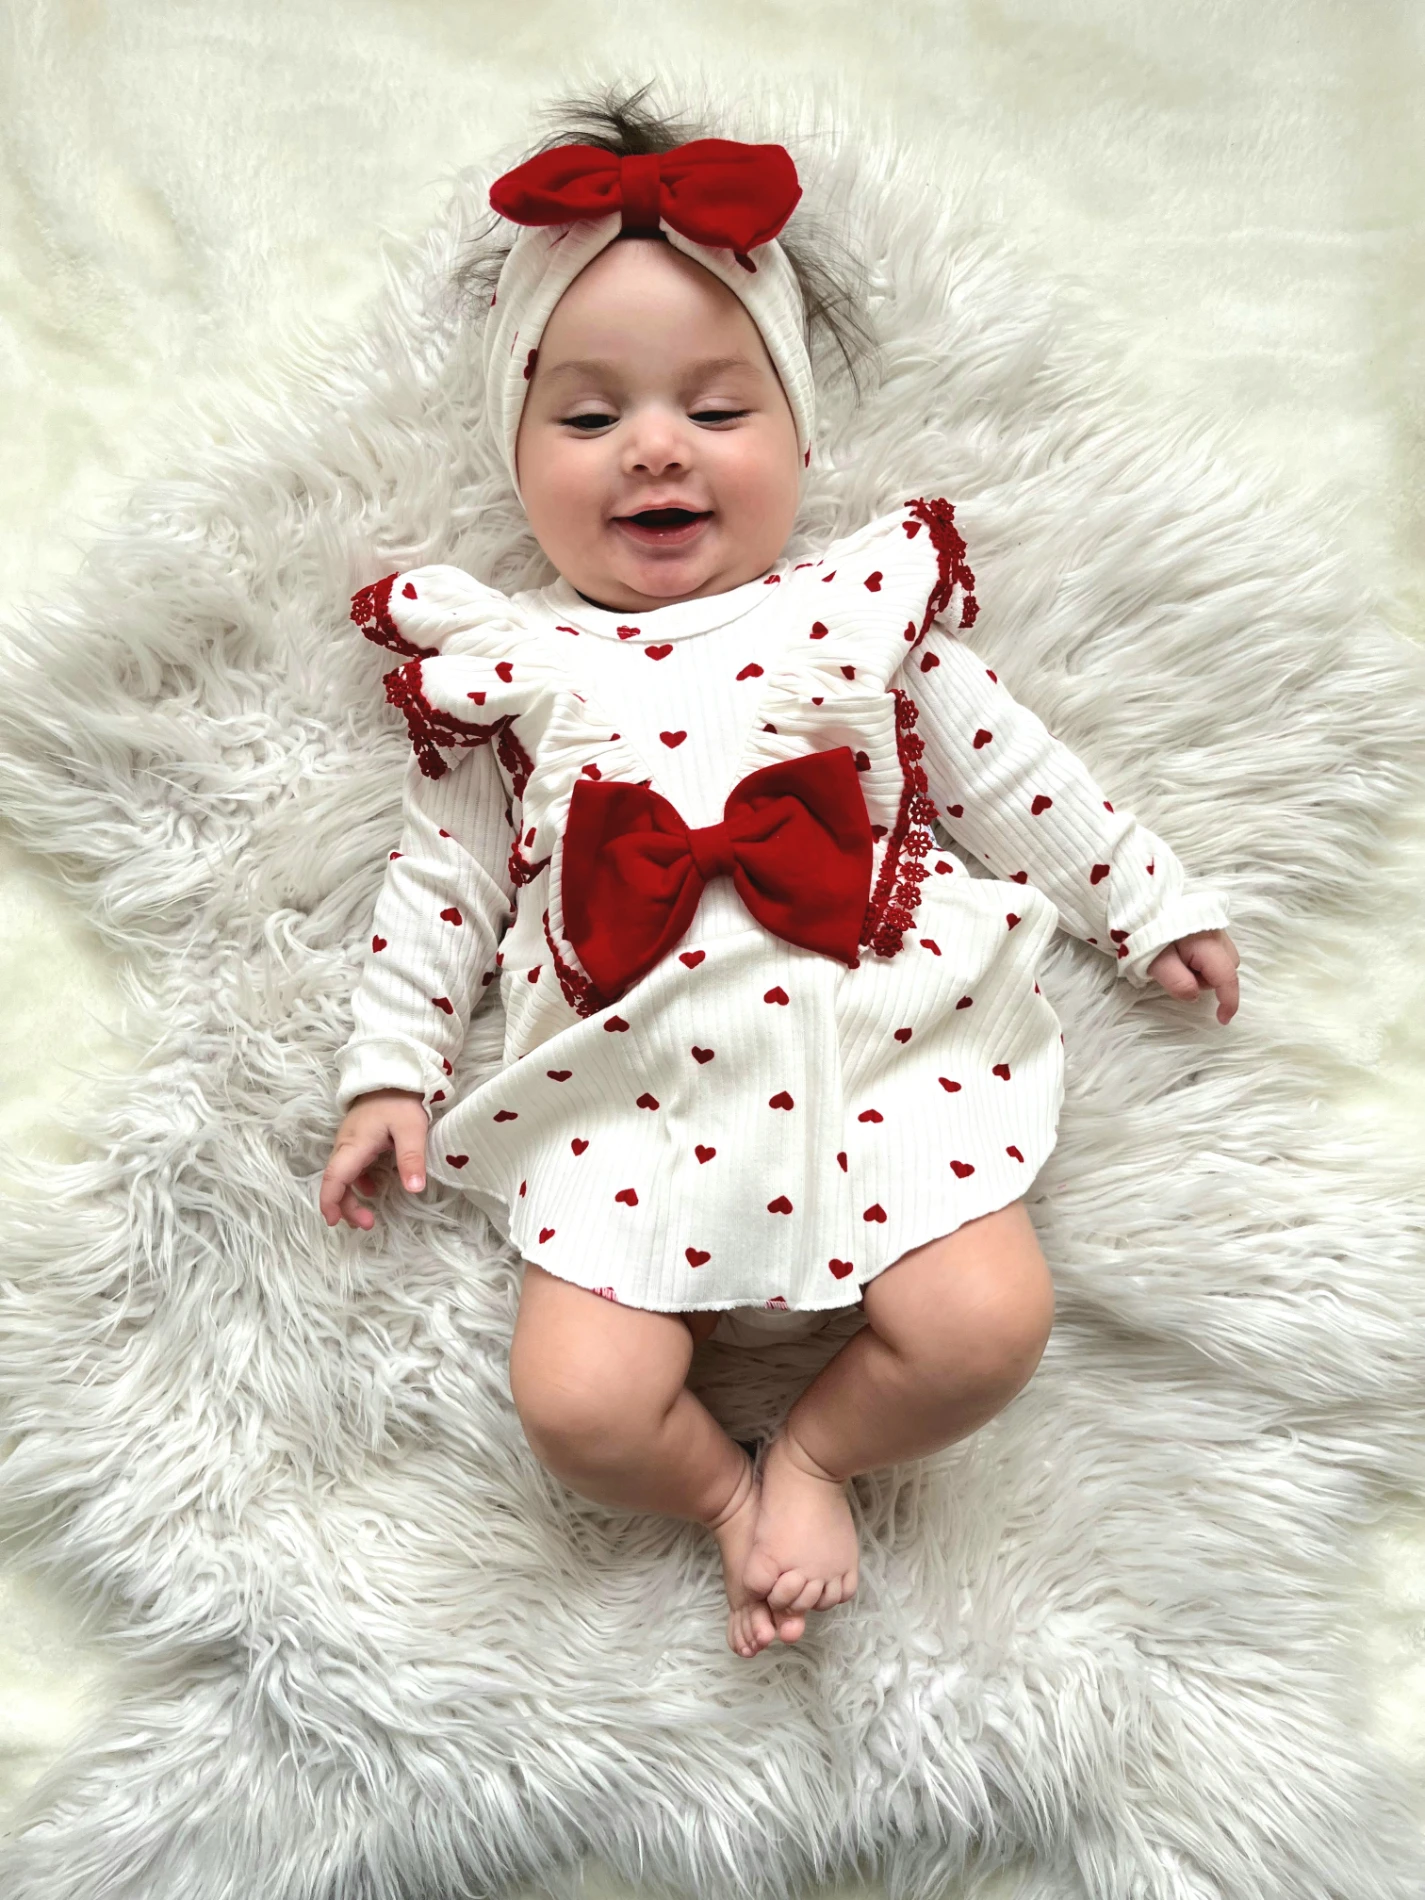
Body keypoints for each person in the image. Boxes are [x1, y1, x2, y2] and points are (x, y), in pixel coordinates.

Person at [319, 89, 1240, 1662]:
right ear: (514, 459)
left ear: (800, 437)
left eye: (716, 409)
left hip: (876, 1056)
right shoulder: (512, 662)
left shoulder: (855, 613)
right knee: (577, 1406)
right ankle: (728, 1496)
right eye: (588, 420)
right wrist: (390, 1071)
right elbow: (442, 882)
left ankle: (817, 1452)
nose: (655, 448)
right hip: (631, 1101)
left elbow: (1011, 772)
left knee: (987, 1326)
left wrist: (1145, 897)